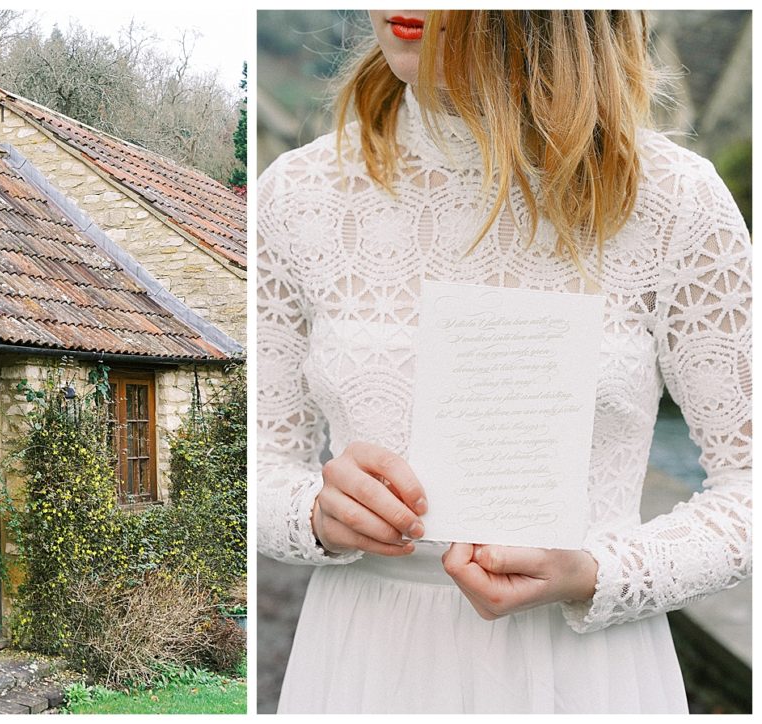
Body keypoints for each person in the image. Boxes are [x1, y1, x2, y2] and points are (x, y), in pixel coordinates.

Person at [257, 9, 751, 714]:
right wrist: (313, 510)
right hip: (365, 665)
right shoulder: (297, 195)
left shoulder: (674, 199)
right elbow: (251, 464)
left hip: (586, 674)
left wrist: (600, 571)